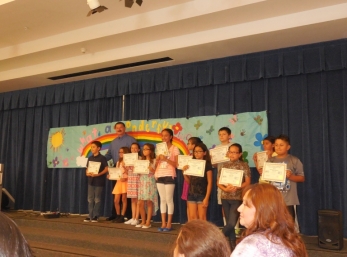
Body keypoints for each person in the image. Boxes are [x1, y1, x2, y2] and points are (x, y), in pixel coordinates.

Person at [231, 183, 308, 257]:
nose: (239, 209)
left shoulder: (251, 246)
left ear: (262, 211)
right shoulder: (289, 241)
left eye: (245, 204)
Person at [217, 143, 251, 250]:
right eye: (230, 152)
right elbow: (218, 182)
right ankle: (232, 247)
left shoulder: (244, 165)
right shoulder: (223, 165)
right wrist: (225, 189)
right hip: (225, 196)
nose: (232, 154)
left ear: (240, 154)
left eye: (235, 152)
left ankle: (216, 239)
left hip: (237, 197)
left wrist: (238, 187)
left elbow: (248, 182)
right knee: (229, 223)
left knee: (231, 223)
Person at [267, 134, 305, 221]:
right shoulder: (270, 160)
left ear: (288, 147)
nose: (278, 147)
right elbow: (266, 177)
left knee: (289, 223)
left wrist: (291, 176)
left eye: (281, 145)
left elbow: (302, 178)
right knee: (273, 223)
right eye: (276, 145)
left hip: (289, 200)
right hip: (273, 199)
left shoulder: (294, 160)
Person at [105, 122, 137, 221]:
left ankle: (127, 215)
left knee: (126, 196)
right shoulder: (113, 142)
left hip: (128, 169)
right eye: (117, 128)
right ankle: (116, 214)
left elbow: (134, 152)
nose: (119, 129)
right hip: (116, 167)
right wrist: (99, 161)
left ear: (124, 128)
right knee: (116, 195)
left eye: (121, 127)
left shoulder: (131, 139)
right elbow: (108, 155)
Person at [155, 128, 179, 232]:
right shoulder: (159, 148)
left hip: (169, 174)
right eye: (162, 135)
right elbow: (155, 164)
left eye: (166, 135)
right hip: (159, 174)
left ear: (171, 137)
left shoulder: (174, 148)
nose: (164, 137)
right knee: (162, 200)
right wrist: (157, 159)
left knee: (169, 200)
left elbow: (176, 165)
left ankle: (169, 223)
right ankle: (163, 222)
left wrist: (166, 159)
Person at [182, 143, 212, 220]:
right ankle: (194, 232)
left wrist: (206, 197)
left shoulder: (207, 165)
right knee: (192, 217)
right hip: (191, 194)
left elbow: (210, 183)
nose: (197, 153)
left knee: (202, 217)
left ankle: (204, 232)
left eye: (199, 151)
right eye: (195, 151)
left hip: (202, 194)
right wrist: (184, 173)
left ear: (204, 153)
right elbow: (189, 182)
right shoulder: (191, 164)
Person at [85, 141, 108, 222]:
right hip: (91, 181)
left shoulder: (102, 158)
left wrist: (98, 174)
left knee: (97, 199)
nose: (92, 149)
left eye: (94, 147)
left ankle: (96, 215)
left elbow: (106, 169)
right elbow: (87, 168)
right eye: (91, 147)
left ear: (99, 148)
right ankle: (90, 215)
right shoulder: (90, 158)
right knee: (90, 199)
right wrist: (87, 173)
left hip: (99, 181)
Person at [137, 143, 159, 228]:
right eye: (144, 149)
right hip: (142, 182)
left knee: (149, 202)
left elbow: (157, 172)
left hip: (150, 182)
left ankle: (148, 222)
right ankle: (143, 220)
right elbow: (138, 173)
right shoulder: (141, 161)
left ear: (151, 151)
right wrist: (138, 171)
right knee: (140, 203)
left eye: (146, 149)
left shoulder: (154, 161)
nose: (144, 151)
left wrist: (152, 170)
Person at [214, 127, 232, 225]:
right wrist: (213, 160)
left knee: (234, 203)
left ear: (229, 135)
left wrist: (230, 155)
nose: (221, 136)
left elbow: (239, 160)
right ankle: (226, 226)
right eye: (220, 134)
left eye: (224, 134)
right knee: (223, 204)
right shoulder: (217, 148)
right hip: (221, 178)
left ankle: (235, 227)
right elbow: (215, 165)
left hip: (232, 178)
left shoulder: (233, 146)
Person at [181, 137, 202, 221]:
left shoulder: (199, 159)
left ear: (194, 145)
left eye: (189, 143)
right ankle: (189, 223)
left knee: (197, 207)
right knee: (188, 204)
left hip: (196, 184)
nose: (188, 145)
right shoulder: (188, 157)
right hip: (187, 181)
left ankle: (196, 225)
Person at [124, 142, 141, 226]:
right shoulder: (128, 159)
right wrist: (124, 166)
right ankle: (133, 217)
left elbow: (141, 170)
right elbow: (128, 172)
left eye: (135, 148)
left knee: (137, 200)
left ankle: (137, 218)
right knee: (132, 200)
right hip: (130, 180)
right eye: (132, 148)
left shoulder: (141, 158)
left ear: (138, 149)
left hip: (138, 180)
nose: (133, 150)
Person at [111, 146, 130, 223]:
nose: (120, 153)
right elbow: (117, 173)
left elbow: (131, 173)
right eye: (119, 152)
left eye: (122, 152)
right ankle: (118, 215)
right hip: (119, 182)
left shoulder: (128, 162)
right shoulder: (118, 162)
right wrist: (111, 175)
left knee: (124, 199)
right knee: (116, 200)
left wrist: (126, 176)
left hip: (126, 181)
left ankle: (122, 215)